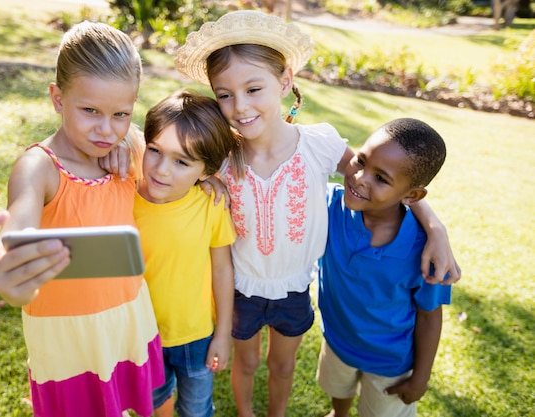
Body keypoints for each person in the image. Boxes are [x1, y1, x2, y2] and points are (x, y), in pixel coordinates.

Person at [174, 10, 460, 417]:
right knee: (248, 362)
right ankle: (245, 413)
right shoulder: (222, 155)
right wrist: (206, 180)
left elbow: (377, 183)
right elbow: (171, 168)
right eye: (224, 94)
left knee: (282, 364)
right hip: (239, 285)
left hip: (293, 288)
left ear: (285, 82)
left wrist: (435, 226)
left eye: (254, 88)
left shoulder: (318, 144)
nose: (239, 107)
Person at [0, 21, 164, 417]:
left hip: (126, 314)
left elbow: (174, 174)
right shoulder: (38, 167)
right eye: (90, 110)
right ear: (58, 98)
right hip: (68, 335)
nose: (105, 129)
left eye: (121, 114)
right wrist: (13, 270)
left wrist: (132, 142)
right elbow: (20, 226)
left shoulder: (127, 147)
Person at [316, 118, 452, 417]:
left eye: (381, 178)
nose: (360, 178)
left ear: (411, 196)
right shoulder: (327, 206)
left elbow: (430, 318)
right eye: (360, 161)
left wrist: (420, 379)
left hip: (390, 364)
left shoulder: (424, 250)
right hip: (337, 340)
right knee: (338, 391)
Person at [133, 90, 243, 417]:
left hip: (197, 337)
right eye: (154, 150)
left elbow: (223, 271)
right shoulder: (122, 197)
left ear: (207, 170)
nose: (162, 170)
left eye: (181, 161)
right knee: (153, 406)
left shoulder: (210, 204)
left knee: (196, 410)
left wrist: (223, 334)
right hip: (141, 336)